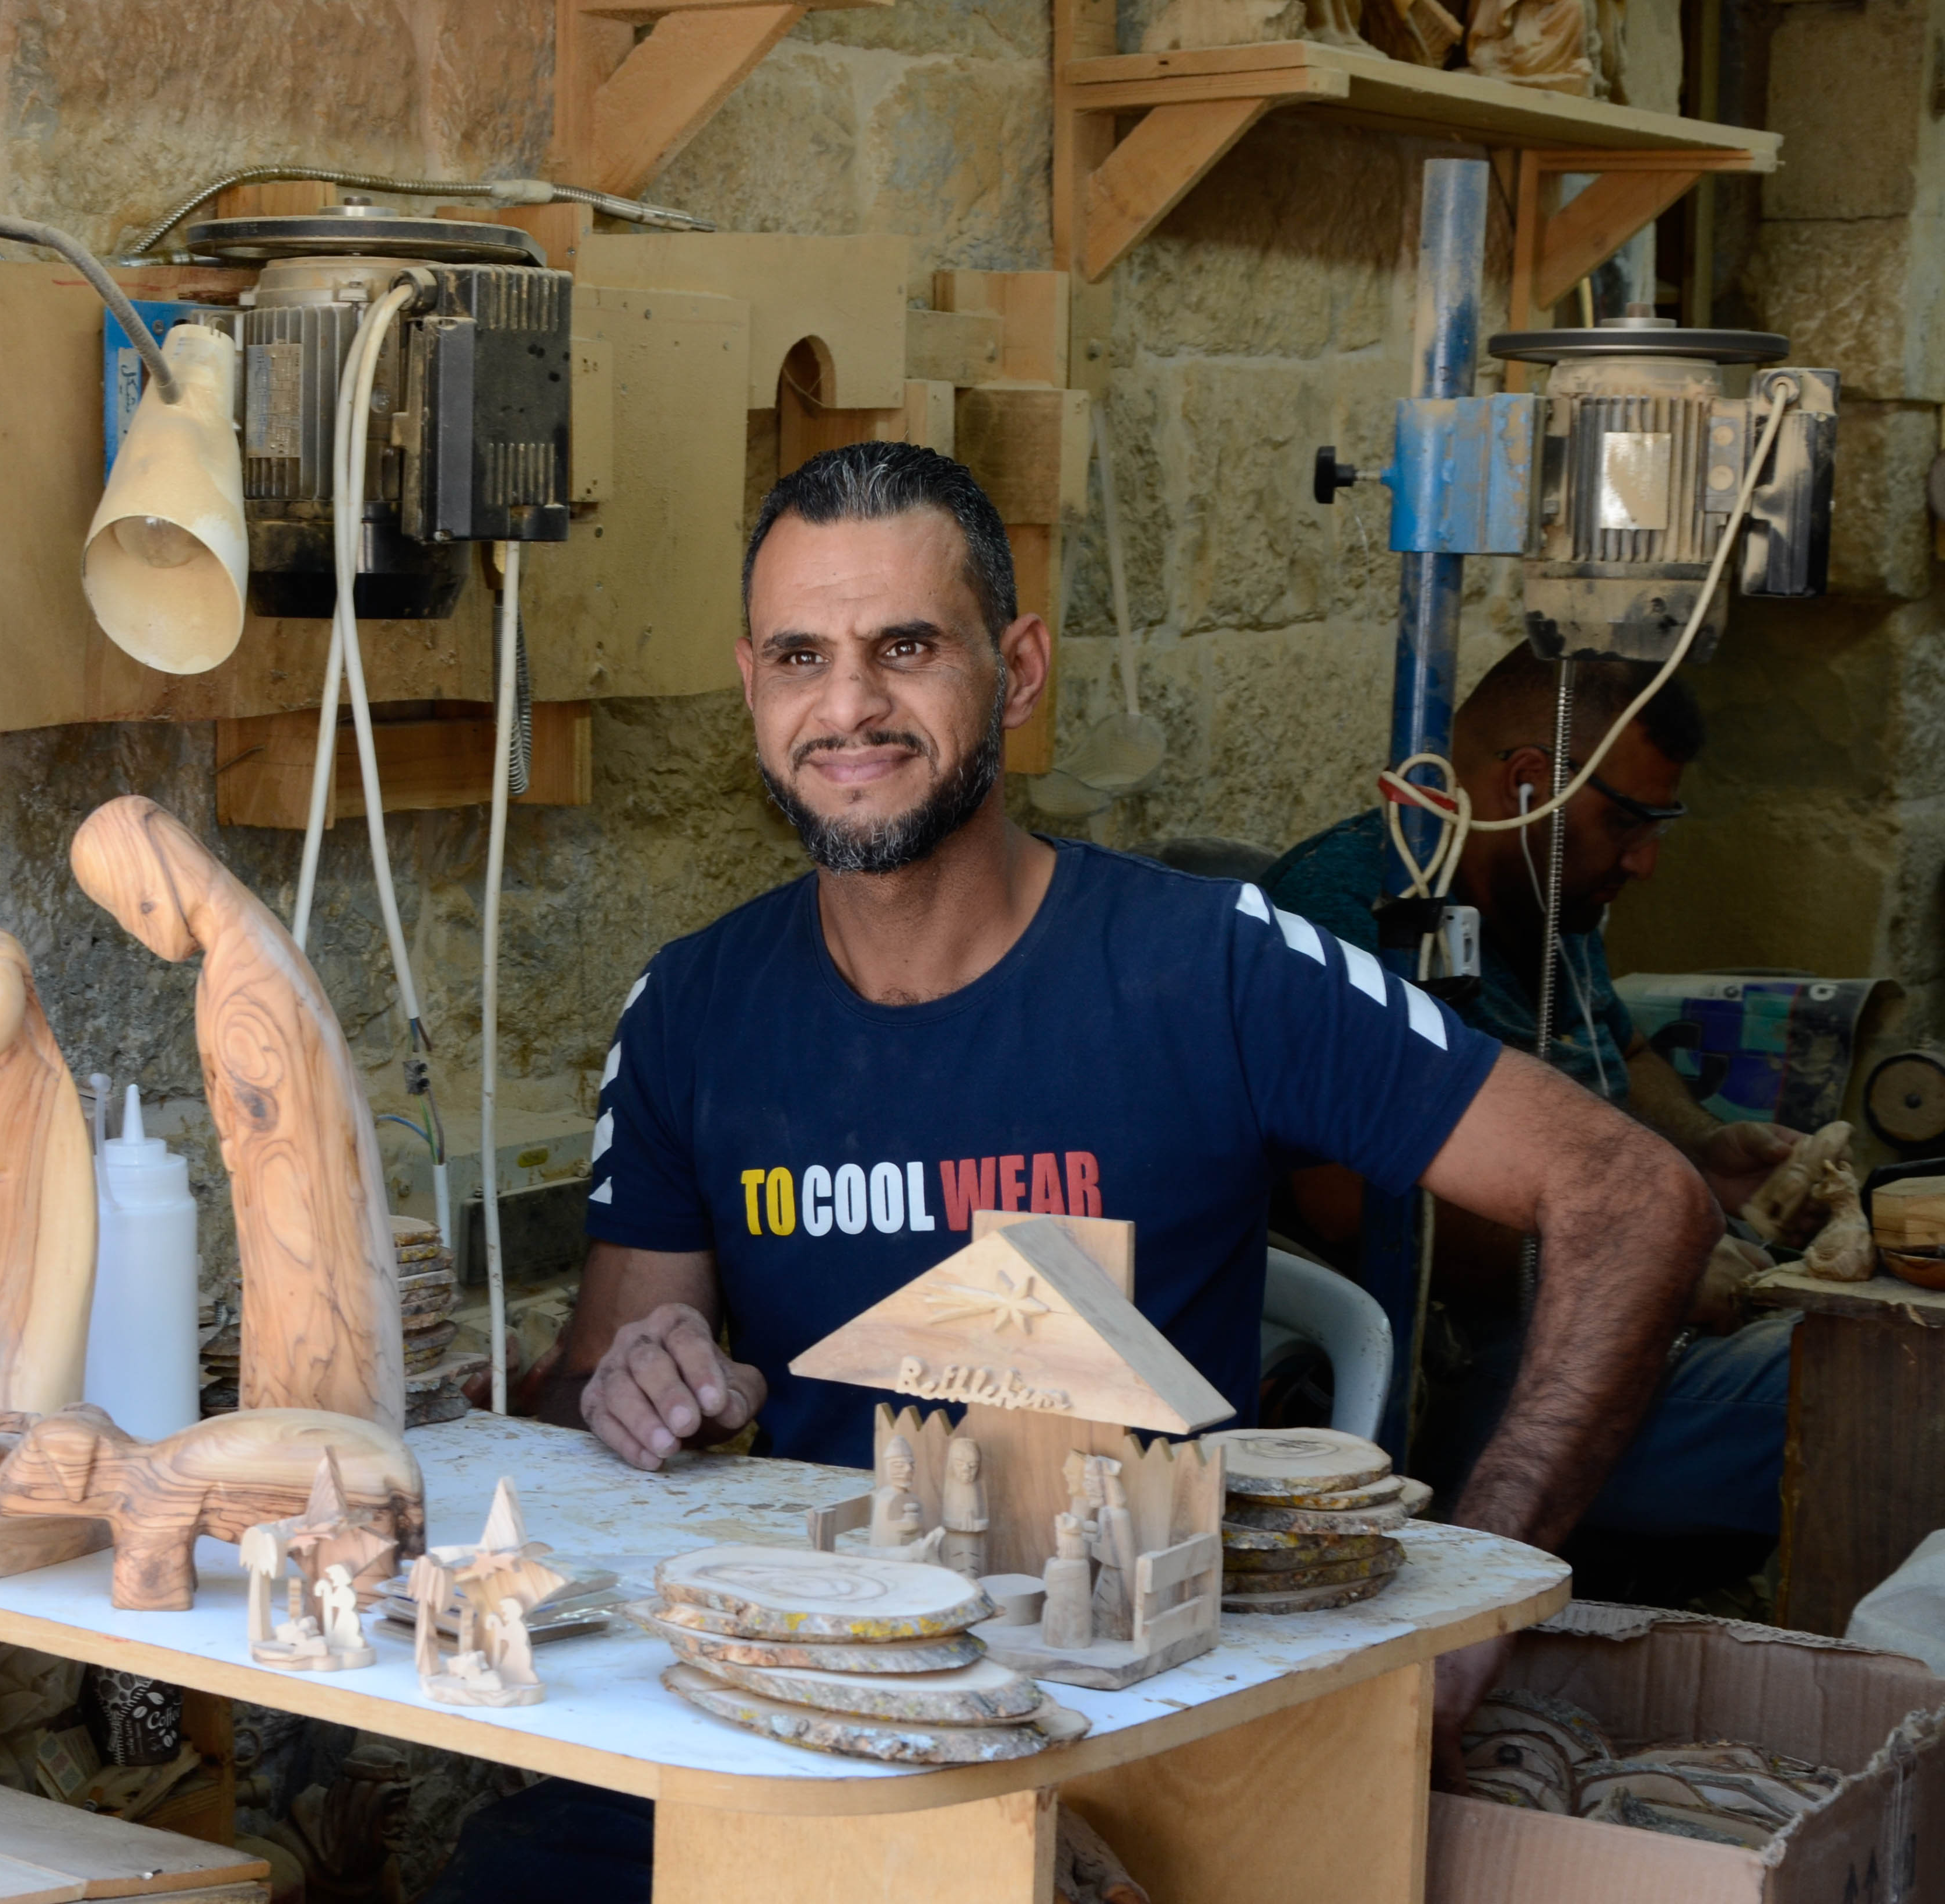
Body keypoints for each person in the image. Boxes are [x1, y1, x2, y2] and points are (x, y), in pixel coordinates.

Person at [422, 443, 1720, 1904]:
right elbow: (593, 1404)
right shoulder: (690, 1007)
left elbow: (1632, 1198)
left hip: (1114, 1720)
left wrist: (1481, 1591)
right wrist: (647, 1389)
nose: (846, 706)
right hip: (783, 1694)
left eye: (904, 648)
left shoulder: (1209, 966)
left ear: (1017, 669)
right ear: (751, 688)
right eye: (800, 657)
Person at [1263, 648, 1798, 1552]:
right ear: (1525, 785)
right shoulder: (1346, 915)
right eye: (1629, 819)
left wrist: (1705, 1151)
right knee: (1852, 1398)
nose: (1647, 860)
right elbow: (1349, 1203)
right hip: (1472, 1368)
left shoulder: (1546, 897)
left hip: (1609, 1310)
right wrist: (1635, 1265)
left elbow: (1616, 1044)